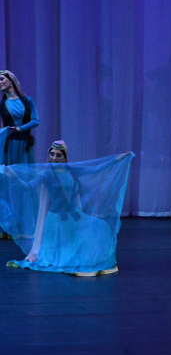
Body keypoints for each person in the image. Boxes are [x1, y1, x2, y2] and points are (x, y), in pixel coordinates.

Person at [4, 141, 134, 276]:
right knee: (62, 254)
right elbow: (28, 187)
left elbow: (95, 169)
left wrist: (117, 160)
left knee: (100, 227)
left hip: (73, 216)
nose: (54, 158)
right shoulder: (46, 174)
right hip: (56, 220)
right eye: (52, 155)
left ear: (65, 157)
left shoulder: (72, 170)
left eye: (58, 155)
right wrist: (14, 176)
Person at [0, 70, 39, 239]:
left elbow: (36, 121)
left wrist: (20, 128)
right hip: (8, 147)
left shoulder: (27, 101)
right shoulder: (3, 103)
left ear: (11, 80)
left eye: (1, 79)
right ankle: (7, 227)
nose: (0, 82)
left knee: (24, 183)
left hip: (23, 146)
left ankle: (25, 225)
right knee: (7, 185)